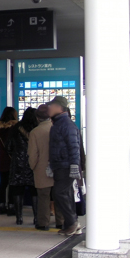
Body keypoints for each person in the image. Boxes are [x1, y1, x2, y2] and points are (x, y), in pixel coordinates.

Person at [47, 96, 81, 236]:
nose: (49, 108)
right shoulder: (59, 124)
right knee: (66, 193)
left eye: (51, 106)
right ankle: (71, 224)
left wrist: (74, 166)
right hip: (60, 165)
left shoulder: (66, 125)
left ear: (59, 107)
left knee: (59, 192)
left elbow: (74, 147)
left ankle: (72, 222)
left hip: (65, 166)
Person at [7, 107, 38, 225]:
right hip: (33, 163)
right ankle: (36, 217)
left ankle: (19, 218)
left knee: (18, 190)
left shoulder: (15, 128)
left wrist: (15, 155)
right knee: (35, 191)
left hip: (18, 163)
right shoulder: (37, 129)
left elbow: (8, 146)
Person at [28, 104, 53, 230]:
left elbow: (33, 154)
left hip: (41, 169)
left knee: (43, 197)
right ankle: (61, 221)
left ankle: (43, 223)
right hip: (57, 168)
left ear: (37, 118)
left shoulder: (35, 132)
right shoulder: (56, 127)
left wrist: (33, 166)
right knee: (59, 196)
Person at [0, 107, 18, 215]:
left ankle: (1, 206)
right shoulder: (15, 127)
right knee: (12, 184)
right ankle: (11, 206)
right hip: (12, 158)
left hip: (2, 158)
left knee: (3, 183)